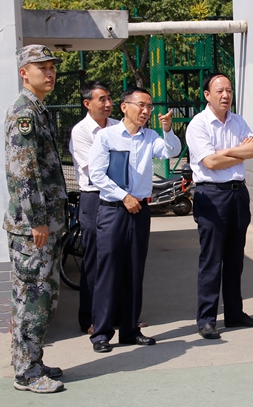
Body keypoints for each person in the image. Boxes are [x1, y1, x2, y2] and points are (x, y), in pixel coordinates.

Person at [87, 87, 180, 353]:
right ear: (125, 107)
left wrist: (168, 129)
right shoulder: (107, 136)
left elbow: (171, 151)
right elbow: (97, 174)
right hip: (113, 211)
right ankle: (101, 333)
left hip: (140, 211)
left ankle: (130, 330)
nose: (146, 111)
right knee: (109, 272)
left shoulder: (150, 137)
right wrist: (123, 196)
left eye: (149, 106)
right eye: (141, 105)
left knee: (134, 271)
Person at [3, 45, 67, 393]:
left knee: (44, 295)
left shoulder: (38, 109)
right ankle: (26, 373)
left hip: (44, 225)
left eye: (52, 66)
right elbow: (23, 173)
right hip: (33, 228)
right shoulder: (23, 114)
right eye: (41, 67)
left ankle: (34, 361)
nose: (50, 72)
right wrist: (37, 221)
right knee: (32, 297)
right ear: (24, 73)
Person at [186, 72, 253, 340]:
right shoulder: (198, 125)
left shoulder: (237, 121)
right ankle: (207, 319)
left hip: (238, 195)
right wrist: (238, 153)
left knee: (234, 258)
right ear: (207, 95)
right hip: (211, 196)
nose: (226, 95)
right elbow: (210, 163)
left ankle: (234, 313)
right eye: (219, 91)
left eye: (229, 90)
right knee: (212, 259)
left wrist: (224, 152)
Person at [69, 81, 120, 335]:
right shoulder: (81, 132)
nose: (108, 104)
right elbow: (94, 169)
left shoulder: (118, 127)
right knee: (95, 260)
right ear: (87, 103)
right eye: (102, 99)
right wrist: (119, 165)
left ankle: (119, 316)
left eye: (110, 98)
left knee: (118, 257)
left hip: (118, 197)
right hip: (94, 198)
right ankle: (89, 318)